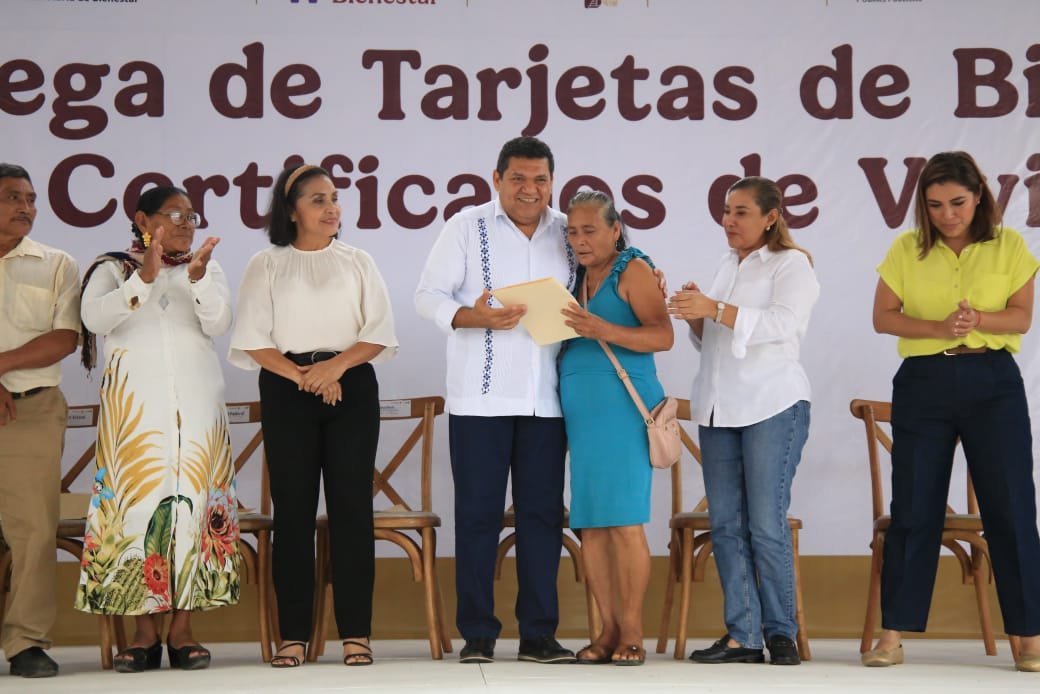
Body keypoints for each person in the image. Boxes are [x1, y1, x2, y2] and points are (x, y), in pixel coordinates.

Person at [864, 151, 1040, 672]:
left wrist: (979, 318)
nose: (948, 214)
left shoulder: (1009, 245)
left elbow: (1022, 317)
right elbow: (883, 317)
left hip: (994, 382)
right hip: (924, 382)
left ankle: (1028, 636)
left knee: (1011, 508)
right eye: (936, 204)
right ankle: (892, 634)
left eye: (958, 203)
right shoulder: (906, 249)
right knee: (914, 508)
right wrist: (941, 328)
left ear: (979, 196)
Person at [414, 136, 577, 664]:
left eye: (540, 179)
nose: (529, 190)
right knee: (478, 516)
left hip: (548, 402)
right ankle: (478, 633)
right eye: (518, 179)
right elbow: (428, 296)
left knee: (542, 517)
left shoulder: (568, 232)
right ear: (497, 178)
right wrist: (471, 317)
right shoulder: (466, 226)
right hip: (478, 399)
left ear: (553, 181)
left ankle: (538, 634)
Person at [229, 164, 398, 668]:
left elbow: (379, 332)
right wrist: (304, 377)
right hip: (287, 388)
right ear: (291, 210)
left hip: (350, 385)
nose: (332, 209)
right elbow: (254, 340)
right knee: (294, 512)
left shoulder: (357, 261)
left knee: (351, 509)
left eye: (334, 199)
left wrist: (333, 368)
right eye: (318, 200)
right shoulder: (266, 263)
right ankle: (294, 635)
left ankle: (356, 633)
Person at [75, 185, 237, 673]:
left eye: (191, 215)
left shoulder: (203, 269)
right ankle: (144, 633)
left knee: (193, 513)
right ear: (143, 220)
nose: (187, 223)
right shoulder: (111, 267)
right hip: (134, 421)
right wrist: (143, 278)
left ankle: (184, 631)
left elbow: (220, 322)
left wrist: (200, 279)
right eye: (174, 214)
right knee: (138, 511)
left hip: (199, 416)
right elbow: (92, 317)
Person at [667, 176, 818, 666]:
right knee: (726, 524)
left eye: (741, 212)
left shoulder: (792, 264)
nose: (729, 221)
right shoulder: (725, 264)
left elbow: (782, 324)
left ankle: (781, 633)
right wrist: (696, 316)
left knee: (765, 523)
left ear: (771, 216)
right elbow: (715, 340)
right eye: (727, 211)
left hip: (771, 403)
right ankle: (744, 635)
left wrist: (715, 308)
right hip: (718, 406)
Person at [558, 190, 673, 666]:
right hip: (582, 414)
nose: (580, 241)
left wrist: (604, 330)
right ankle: (605, 631)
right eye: (572, 232)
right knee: (591, 526)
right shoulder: (572, 276)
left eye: (589, 231)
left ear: (614, 230)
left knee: (624, 523)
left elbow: (662, 335)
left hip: (624, 410)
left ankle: (632, 631)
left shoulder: (635, 270)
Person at [0, 163, 80, 678]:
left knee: (33, 529)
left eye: (30, 198)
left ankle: (25, 641)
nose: (26, 207)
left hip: (30, 408)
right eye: (12, 197)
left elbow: (64, 338)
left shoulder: (56, 264)